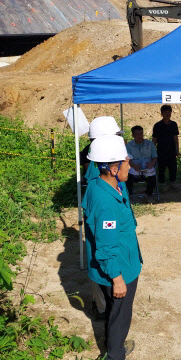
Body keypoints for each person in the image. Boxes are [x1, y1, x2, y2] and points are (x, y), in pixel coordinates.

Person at [82, 134, 144, 360]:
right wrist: (117, 278)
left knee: (114, 312)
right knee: (120, 314)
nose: (130, 164)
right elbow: (106, 247)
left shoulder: (104, 185)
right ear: (112, 167)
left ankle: (113, 345)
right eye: (126, 162)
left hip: (124, 261)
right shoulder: (106, 203)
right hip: (119, 269)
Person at [81, 116, 123, 320]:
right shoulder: (96, 176)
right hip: (104, 242)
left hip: (109, 241)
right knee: (101, 269)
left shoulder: (101, 169)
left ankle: (102, 305)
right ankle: (101, 308)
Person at [126, 126, 158, 202]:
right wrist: (133, 165)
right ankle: (130, 195)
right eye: (137, 134)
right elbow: (127, 159)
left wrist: (151, 163)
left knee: (153, 176)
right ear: (133, 135)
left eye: (141, 134)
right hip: (134, 168)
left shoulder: (150, 144)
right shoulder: (129, 145)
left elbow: (155, 157)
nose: (139, 136)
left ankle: (148, 195)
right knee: (127, 177)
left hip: (147, 167)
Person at [152, 105, 180, 190]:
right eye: (165, 112)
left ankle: (173, 183)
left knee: (173, 168)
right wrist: (153, 152)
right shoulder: (157, 125)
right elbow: (154, 139)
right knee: (161, 168)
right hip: (161, 150)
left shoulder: (174, 124)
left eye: (169, 112)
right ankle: (162, 184)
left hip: (171, 150)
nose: (167, 114)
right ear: (161, 113)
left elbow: (176, 138)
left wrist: (177, 150)